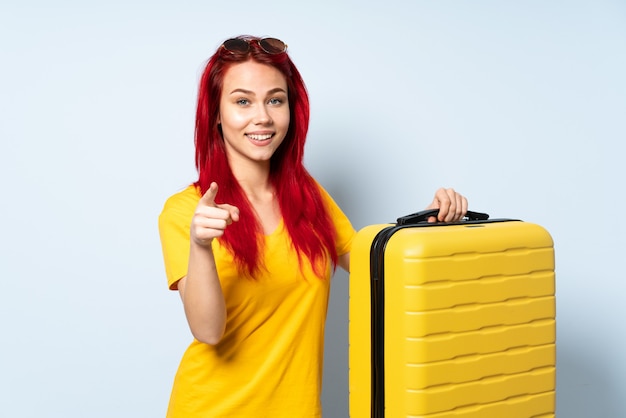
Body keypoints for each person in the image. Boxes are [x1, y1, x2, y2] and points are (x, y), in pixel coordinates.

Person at [158, 35, 468, 418]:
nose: (263, 117)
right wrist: (200, 244)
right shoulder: (186, 211)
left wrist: (430, 225)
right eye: (242, 101)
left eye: (275, 100)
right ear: (217, 114)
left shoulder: (308, 197)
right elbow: (207, 331)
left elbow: (375, 267)